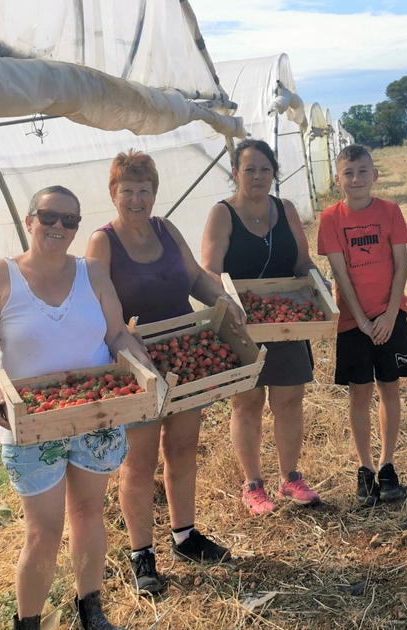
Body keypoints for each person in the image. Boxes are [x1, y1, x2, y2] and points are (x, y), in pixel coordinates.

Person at [0, 186, 148, 630]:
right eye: (48, 217)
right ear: (29, 221)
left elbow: (116, 336)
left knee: (88, 513)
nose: (58, 227)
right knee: (42, 529)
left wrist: (142, 365)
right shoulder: (0, 275)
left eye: (70, 220)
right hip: (31, 421)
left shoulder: (93, 273)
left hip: (96, 413)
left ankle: (91, 609)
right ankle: (29, 621)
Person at [85, 150, 242, 597]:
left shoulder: (166, 229)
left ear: (155, 193)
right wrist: (126, 351)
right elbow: (95, 306)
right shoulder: (103, 242)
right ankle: (142, 555)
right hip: (135, 366)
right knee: (139, 462)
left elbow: (195, 276)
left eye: (144, 190)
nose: (136, 199)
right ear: (113, 193)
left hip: (185, 354)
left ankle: (185, 536)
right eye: (127, 190)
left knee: (183, 448)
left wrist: (224, 300)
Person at [201, 138, 325, 515]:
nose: (257, 176)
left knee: (289, 399)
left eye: (265, 169)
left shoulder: (284, 209)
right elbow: (209, 268)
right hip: (241, 323)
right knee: (247, 402)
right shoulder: (222, 214)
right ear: (235, 173)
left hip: (286, 319)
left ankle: (291, 478)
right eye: (249, 169)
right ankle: (253, 484)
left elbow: (303, 261)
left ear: (275, 173)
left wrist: (320, 284)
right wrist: (231, 304)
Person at [318, 144, 407, 505]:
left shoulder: (390, 212)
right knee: (359, 393)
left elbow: (401, 266)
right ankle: (365, 467)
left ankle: (388, 465)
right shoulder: (330, 219)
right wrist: (360, 320)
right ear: (337, 178)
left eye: (363, 171)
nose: (356, 179)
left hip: (391, 315)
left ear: (375, 175)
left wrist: (390, 314)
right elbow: (339, 274)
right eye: (348, 172)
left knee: (390, 388)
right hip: (352, 322)